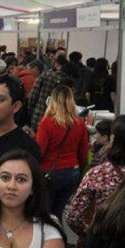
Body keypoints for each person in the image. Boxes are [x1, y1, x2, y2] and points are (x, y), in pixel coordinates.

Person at [66, 115, 125, 248]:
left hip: (104, 245)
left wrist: (89, 233)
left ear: (113, 139)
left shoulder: (99, 173)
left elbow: (73, 216)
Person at [34, 85, 89, 221]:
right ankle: (59, 239)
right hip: (72, 173)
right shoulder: (80, 123)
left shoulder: (47, 123)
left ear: (52, 101)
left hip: (49, 173)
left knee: (44, 215)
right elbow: (83, 154)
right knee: (58, 214)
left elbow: (38, 151)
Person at [28, 54, 70, 129]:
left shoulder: (45, 75)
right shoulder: (67, 79)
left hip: (39, 115)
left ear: (56, 64)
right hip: (58, 118)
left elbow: (33, 96)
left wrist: (31, 112)